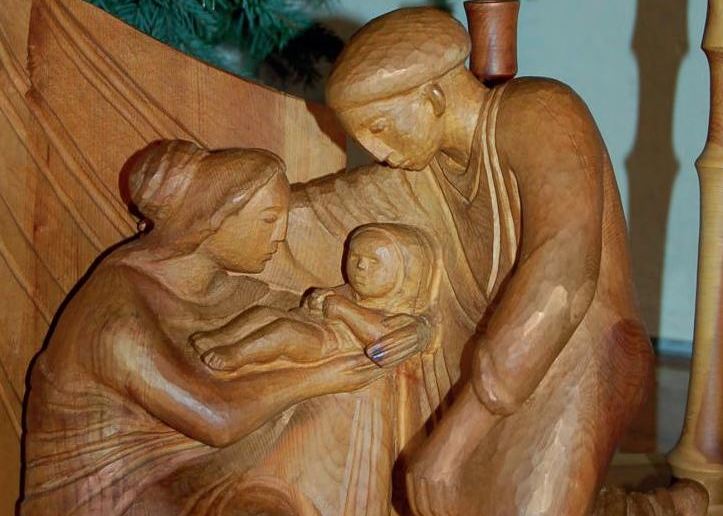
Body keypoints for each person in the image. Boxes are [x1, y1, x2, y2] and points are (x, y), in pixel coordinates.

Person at [257, 7, 657, 514]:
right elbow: (325, 210)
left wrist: (452, 441)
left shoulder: (542, 115)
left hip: (581, 355)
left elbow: (562, 276)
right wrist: (231, 212)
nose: (377, 150)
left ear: (433, 98)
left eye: (380, 127)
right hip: (480, 360)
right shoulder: (423, 170)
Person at [21, 140, 390, 515]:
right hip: (112, 500)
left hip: (193, 483)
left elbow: (312, 315)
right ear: (211, 219)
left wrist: (411, 329)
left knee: (356, 397)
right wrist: (326, 377)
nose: (280, 235)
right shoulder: (113, 313)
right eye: (268, 219)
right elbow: (216, 419)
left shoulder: (215, 288)